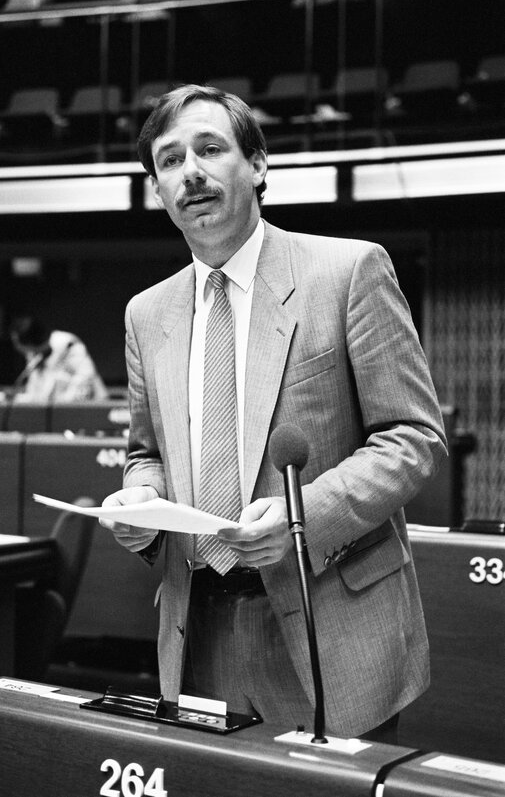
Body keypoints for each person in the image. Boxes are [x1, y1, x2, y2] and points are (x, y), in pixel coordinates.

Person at [100, 84, 447, 742]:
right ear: (155, 188)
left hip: (330, 620)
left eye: (209, 148)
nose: (190, 172)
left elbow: (412, 438)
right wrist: (140, 497)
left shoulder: (346, 271)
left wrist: (301, 515)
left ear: (257, 166)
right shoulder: (146, 313)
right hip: (198, 622)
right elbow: (146, 450)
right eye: (169, 161)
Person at [10, 316, 108, 402]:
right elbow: (34, 388)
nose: (16, 346)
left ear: (28, 341)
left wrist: (64, 402)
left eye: (17, 341)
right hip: (51, 411)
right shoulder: (33, 354)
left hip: (89, 407)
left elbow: (86, 375)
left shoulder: (67, 343)